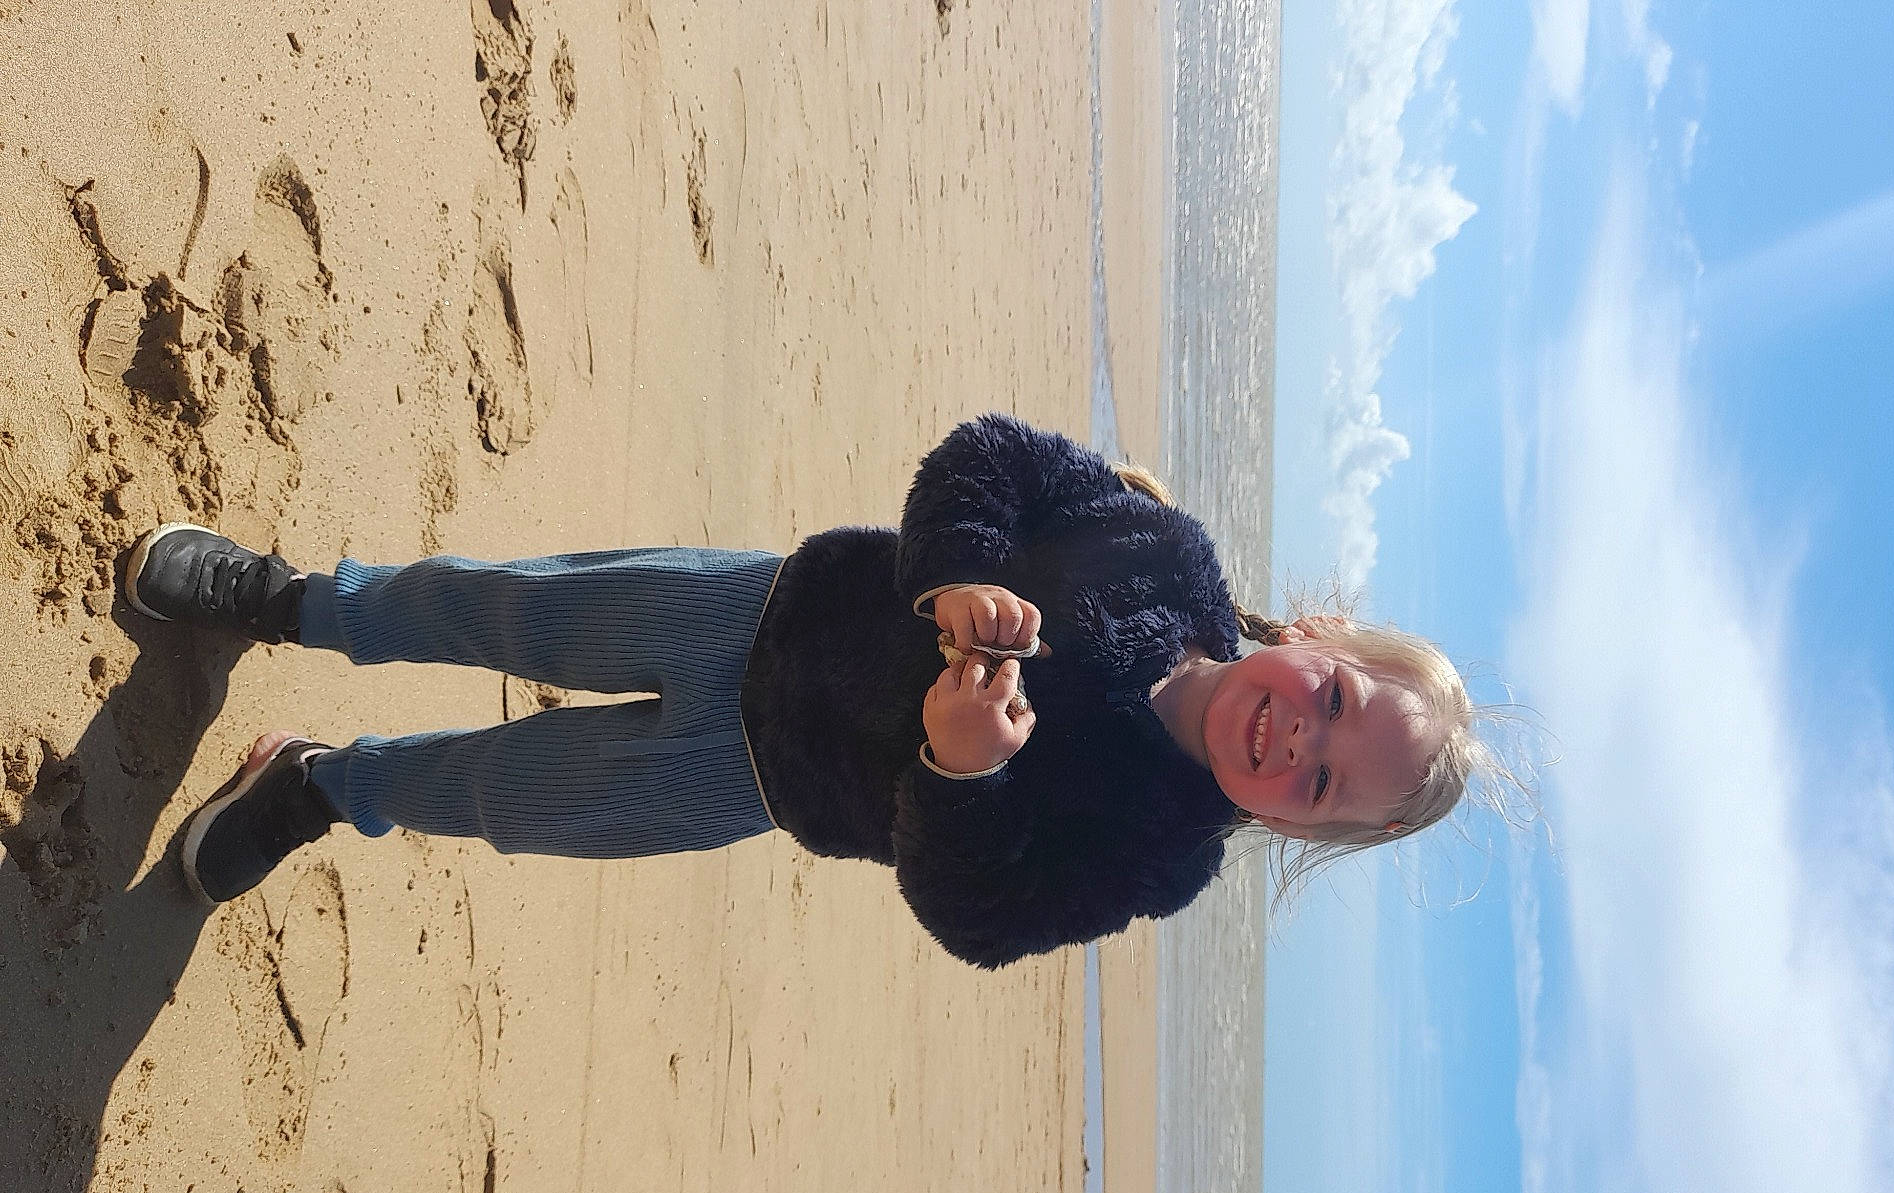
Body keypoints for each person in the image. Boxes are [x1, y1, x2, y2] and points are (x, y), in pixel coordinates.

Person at [121, 414, 1490, 968]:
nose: (1298, 739)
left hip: (760, 785)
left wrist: (961, 774)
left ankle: (322, 786)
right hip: (754, 612)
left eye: (1322, 783)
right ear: (1322, 635)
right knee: (497, 608)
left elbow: (979, 918)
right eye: (1333, 699)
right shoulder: (1163, 554)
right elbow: (987, 457)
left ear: (1298, 829)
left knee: (513, 798)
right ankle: (289, 601)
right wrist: (954, 578)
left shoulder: (1160, 854)